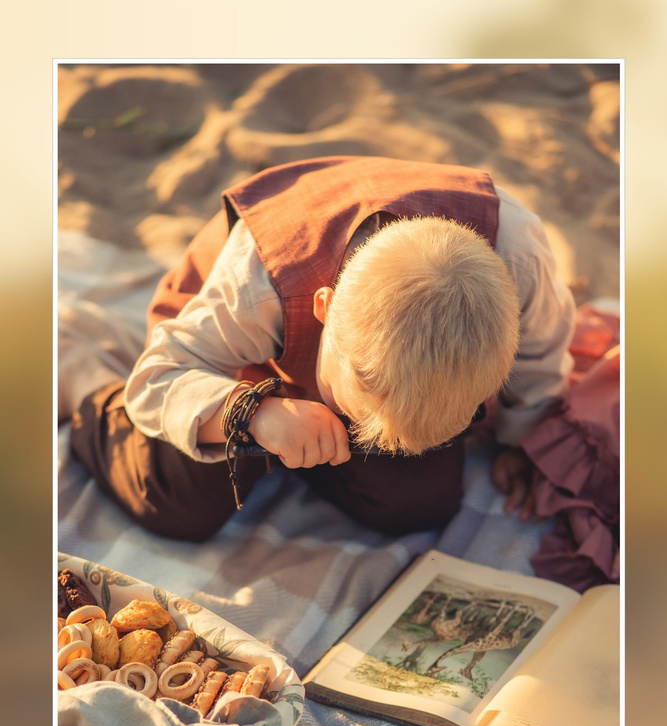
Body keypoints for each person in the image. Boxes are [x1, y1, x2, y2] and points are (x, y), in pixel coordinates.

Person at [67, 155, 576, 541]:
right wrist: (258, 415)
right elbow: (158, 378)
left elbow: (541, 361)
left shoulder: (519, 254)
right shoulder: (260, 282)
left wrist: (521, 438)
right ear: (324, 307)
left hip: (372, 382)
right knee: (178, 504)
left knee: (419, 504)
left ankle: (303, 455)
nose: (362, 435)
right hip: (241, 368)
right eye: (352, 412)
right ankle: (86, 380)